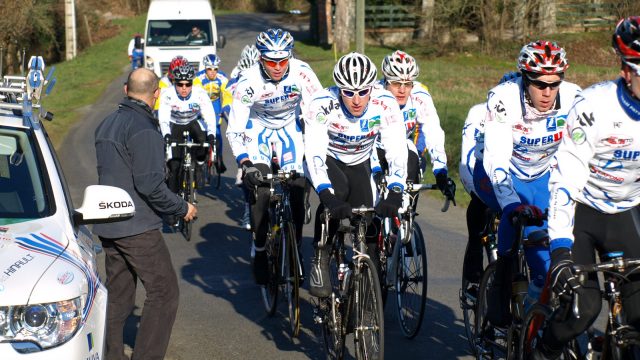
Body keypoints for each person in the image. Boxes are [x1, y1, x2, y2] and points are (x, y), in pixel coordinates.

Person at [531, 16, 640, 360]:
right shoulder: (595, 107)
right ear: (626, 72)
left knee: (637, 317)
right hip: (585, 212)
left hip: (628, 212)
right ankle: (544, 349)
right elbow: (567, 175)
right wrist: (561, 248)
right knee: (583, 310)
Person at [475, 40, 581, 326]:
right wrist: (512, 204)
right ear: (524, 78)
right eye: (539, 84)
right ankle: (500, 286)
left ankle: (534, 319)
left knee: (547, 263)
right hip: (499, 171)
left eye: (554, 84)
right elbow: (496, 159)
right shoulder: (504, 98)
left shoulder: (574, 98)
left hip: (542, 173)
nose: (547, 92)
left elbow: (582, 156)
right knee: (516, 221)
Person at [93, 68, 197, 360]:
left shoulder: (105, 124)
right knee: (164, 294)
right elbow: (150, 184)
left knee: (119, 297)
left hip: (109, 225)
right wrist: (181, 207)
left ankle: (111, 354)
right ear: (157, 94)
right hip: (136, 227)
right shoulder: (143, 128)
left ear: (125, 90)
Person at [305, 52, 408, 298]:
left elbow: (396, 149)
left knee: (369, 225)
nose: (356, 100)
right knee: (336, 195)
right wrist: (325, 194)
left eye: (363, 91)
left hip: (361, 161)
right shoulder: (321, 103)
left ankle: (364, 302)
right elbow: (315, 153)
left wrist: (395, 189)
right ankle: (321, 254)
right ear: (339, 89)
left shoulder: (385, 103)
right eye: (348, 92)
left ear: (372, 88)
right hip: (330, 160)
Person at [226, 28, 322, 285]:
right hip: (258, 130)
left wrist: (317, 150)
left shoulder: (303, 72)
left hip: (290, 128)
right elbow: (235, 128)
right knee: (263, 191)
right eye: (271, 61)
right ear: (260, 58)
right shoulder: (247, 82)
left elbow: (319, 111)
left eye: (283, 60)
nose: (278, 67)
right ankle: (258, 250)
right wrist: (245, 163)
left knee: (298, 188)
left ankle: (296, 247)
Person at [460, 71, 521, 291]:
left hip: (513, 179)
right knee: (478, 218)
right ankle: (473, 281)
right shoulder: (478, 113)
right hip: (482, 175)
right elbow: (466, 160)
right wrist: (477, 192)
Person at [377, 50, 455, 203]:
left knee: (413, 163)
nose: (402, 90)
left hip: (402, 146)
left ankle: (407, 219)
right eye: (396, 83)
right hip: (375, 147)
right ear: (386, 81)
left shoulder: (420, 95)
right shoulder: (374, 95)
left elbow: (433, 130)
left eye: (407, 84)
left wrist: (440, 170)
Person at [158, 63, 217, 194]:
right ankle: (174, 199)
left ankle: (199, 165)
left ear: (192, 83)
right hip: (175, 123)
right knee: (174, 166)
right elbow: (163, 118)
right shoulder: (167, 94)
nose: (184, 88)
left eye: (187, 84)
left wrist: (212, 134)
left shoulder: (200, 93)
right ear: (174, 83)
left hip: (192, 121)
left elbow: (209, 115)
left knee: (203, 140)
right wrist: (166, 134)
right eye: (180, 84)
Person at [197, 54, 232, 174]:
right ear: (205, 68)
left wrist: (225, 108)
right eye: (209, 69)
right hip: (202, 105)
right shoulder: (198, 78)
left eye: (215, 69)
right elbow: (196, 96)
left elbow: (227, 95)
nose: (212, 72)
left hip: (215, 106)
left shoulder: (222, 78)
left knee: (217, 133)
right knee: (200, 130)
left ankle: (219, 158)